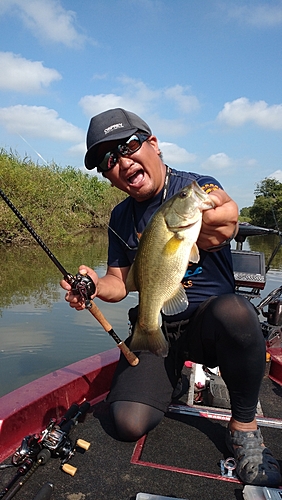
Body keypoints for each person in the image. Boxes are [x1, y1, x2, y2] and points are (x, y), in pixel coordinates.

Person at [60, 108, 281, 487]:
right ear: (110, 178)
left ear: (154, 144)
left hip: (212, 327)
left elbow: (225, 214)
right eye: (108, 161)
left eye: (128, 145)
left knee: (239, 314)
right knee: (127, 422)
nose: (121, 162)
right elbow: (120, 282)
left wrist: (221, 217)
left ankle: (244, 427)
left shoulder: (193, 187)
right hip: (158, 324)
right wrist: (95, 285)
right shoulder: (121, 216)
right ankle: (170, 376)